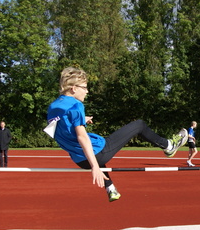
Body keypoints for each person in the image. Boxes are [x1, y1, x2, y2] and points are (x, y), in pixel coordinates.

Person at [46, 66, 188, 202]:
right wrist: (95, 166)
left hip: (80, 161)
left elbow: (61, 129)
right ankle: (169, 146)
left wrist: (82, 119)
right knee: (138, 125)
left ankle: (111, 188)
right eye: (84, 87)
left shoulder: (53, 107)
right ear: (73, 88)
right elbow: (82, 137)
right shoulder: (76, 105)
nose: (87, 91)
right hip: (97, 155)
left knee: (95, 151)